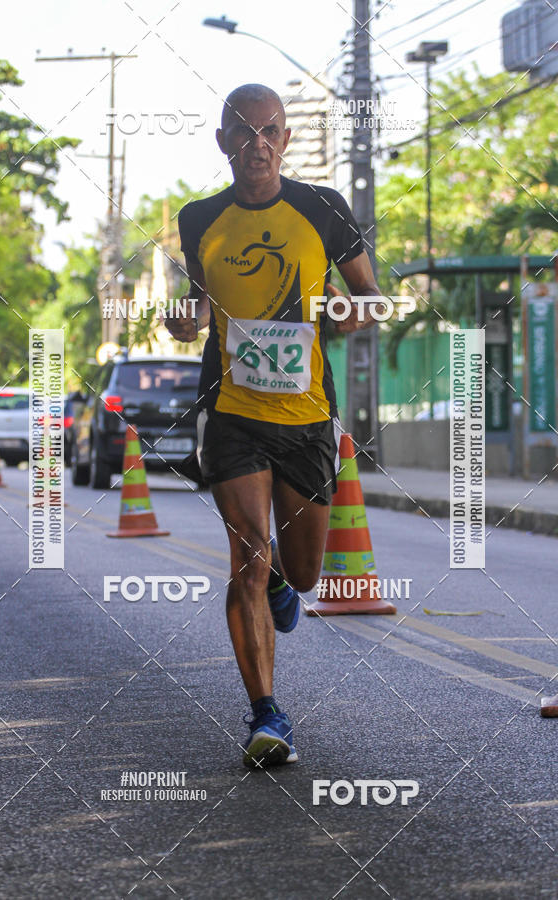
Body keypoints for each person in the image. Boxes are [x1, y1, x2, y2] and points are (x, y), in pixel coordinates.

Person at [167, 83, 381, 768]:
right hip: (234, 412)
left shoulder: (322, 207)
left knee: (305, 574)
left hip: (308, 417)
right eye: (243, 131)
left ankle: (289, 585)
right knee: (248, 560)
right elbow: (201, 305)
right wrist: (184, 321)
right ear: (223, 141)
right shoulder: (200, 218)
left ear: (285, 140)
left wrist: (353, 315)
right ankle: (266, 715)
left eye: (271, 131)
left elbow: (372, 298)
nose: (257, 144)